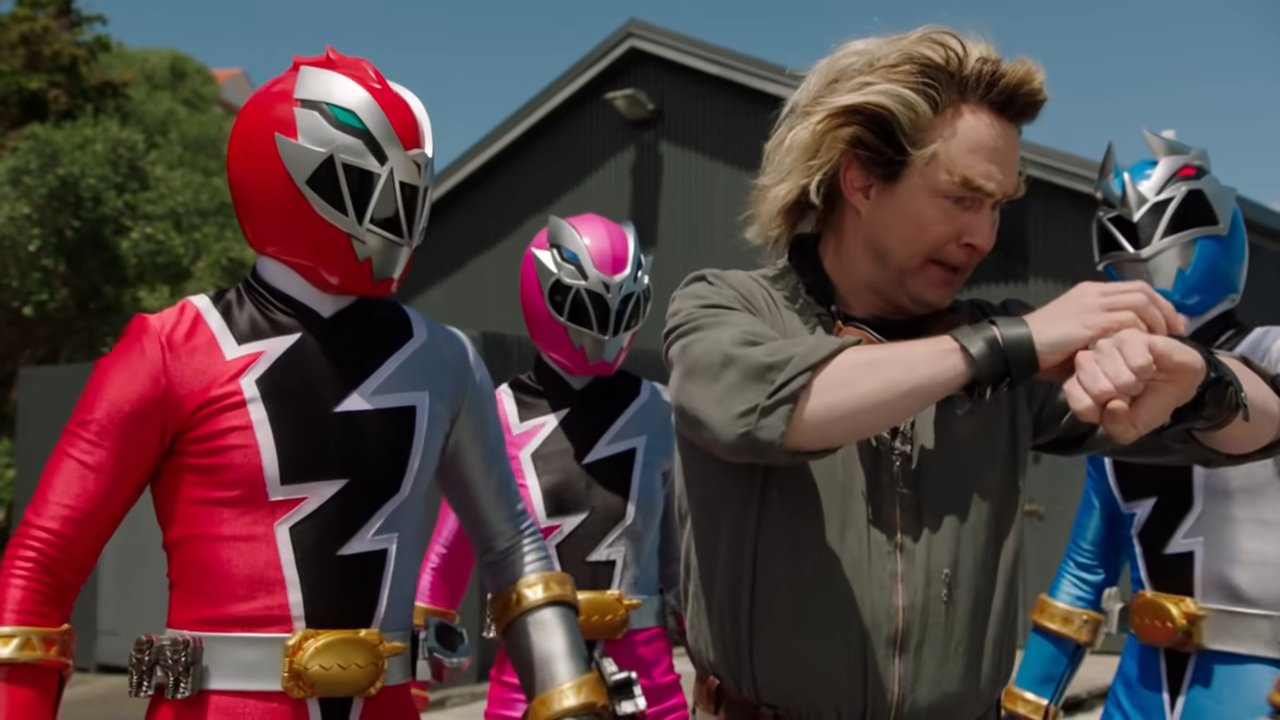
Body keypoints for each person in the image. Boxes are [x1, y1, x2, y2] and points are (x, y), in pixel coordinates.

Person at [661, 25, 1280, 720]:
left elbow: (1259, 428)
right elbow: (757, 405)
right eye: (961, 198)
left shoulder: (1014, 349)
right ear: (861, 178)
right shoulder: (726, 307)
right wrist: (1001, 349)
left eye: (997, 206)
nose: (983, 237)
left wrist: (1200, 382)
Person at [0, 49, 635, 720]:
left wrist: (568, 696)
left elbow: (514, 547)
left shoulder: (447, 359)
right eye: (367, 186)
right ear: (289, 174)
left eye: (407, 188)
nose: (393, 214)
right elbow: (40, 568)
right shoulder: (172, 348)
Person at [1004, 132, 1280, 719]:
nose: (1142, 249)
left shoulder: (1271, 356)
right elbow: (1085, 571)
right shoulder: (1117, 385)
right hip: (1141, 686)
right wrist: (1025, 705)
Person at [411, 213, 687, 719]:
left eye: (623, 307)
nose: (606, 326)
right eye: (589, 306)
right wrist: (413, 675)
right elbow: (447, 556)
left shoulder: (662, 412)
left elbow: (682, 562)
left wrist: (718, 660)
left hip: (647, 682)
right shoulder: (496, 412)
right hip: (530, 679)